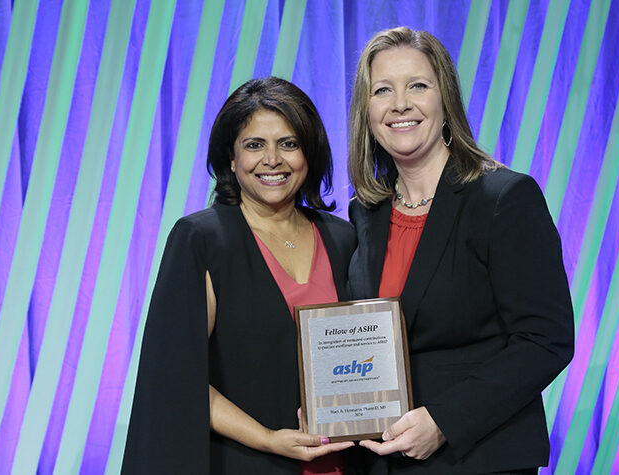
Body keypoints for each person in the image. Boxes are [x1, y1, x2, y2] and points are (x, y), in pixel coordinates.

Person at [346, 27, 574, 474]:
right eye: (383, 90)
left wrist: (445, 420)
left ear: (445, 99)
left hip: (479, 457)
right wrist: (330, 408)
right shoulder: (365, 213)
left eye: (418, 86)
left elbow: (546, 340)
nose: (400, 104)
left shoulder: (504, 199)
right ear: (367, 111)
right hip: (387, 463)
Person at [122, 77, 356, 474]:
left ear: (309, 154)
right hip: (248, 462)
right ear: (231, 159)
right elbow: (178, 378)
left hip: (342, 462)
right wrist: (268, 438)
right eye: (254, 145)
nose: (273, 159)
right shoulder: (202, 240)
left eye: (289, 143)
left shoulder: (343, 238)